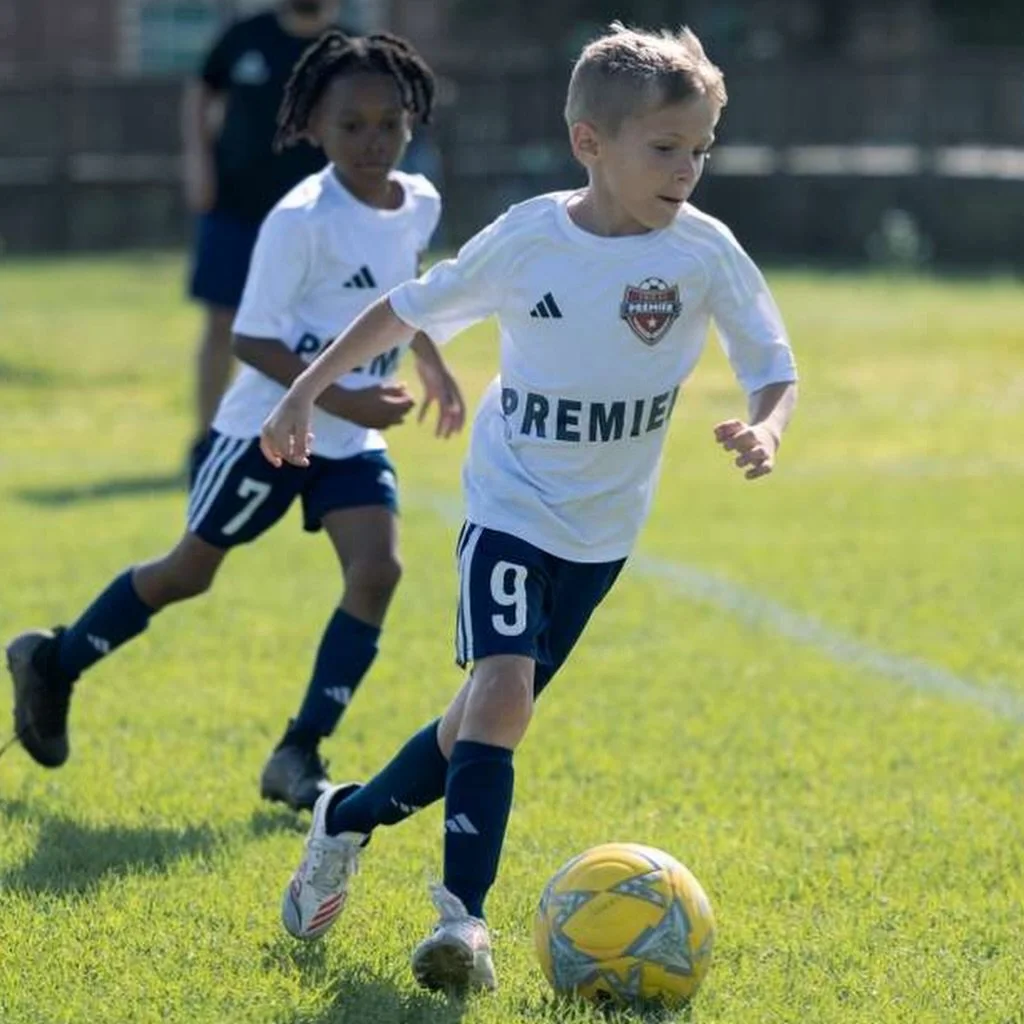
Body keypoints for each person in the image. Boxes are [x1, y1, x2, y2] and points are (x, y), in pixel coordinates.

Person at [261, 23, 799, 992]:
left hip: (603, 535)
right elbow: (404, 309)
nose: (687, 170)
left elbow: (771, 365)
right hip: (511, 504)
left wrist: (766, 428)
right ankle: (462, 924)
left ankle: (343, 819)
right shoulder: (527, 240)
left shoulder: (703, 253)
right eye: (665, 148)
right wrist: (304, 390)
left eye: (699, 150)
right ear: (591, 144)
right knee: (502, 698)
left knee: (473, 723)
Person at [5, 30, 464, 814]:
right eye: (350, 124)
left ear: (413, 121)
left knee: (378, 571)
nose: (372, 140)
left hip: (347, 442)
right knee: (190, 571)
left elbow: (400, 296)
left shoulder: (418, 203)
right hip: (265, 431)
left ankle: (299, 751)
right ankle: (56, 661)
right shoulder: (301, 219)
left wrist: (430, 358)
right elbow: (251, 338)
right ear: (312, 127)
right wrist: (343, 396)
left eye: (390, 122)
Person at [182, 0, 350, 464]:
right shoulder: (243, 37)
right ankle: (209, 438)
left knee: (315, 330)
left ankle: (305, 439)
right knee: (221, 323)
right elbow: (200, 92)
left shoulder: (349, 49)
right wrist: (197, 162)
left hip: (316, 222)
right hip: (236, 209)